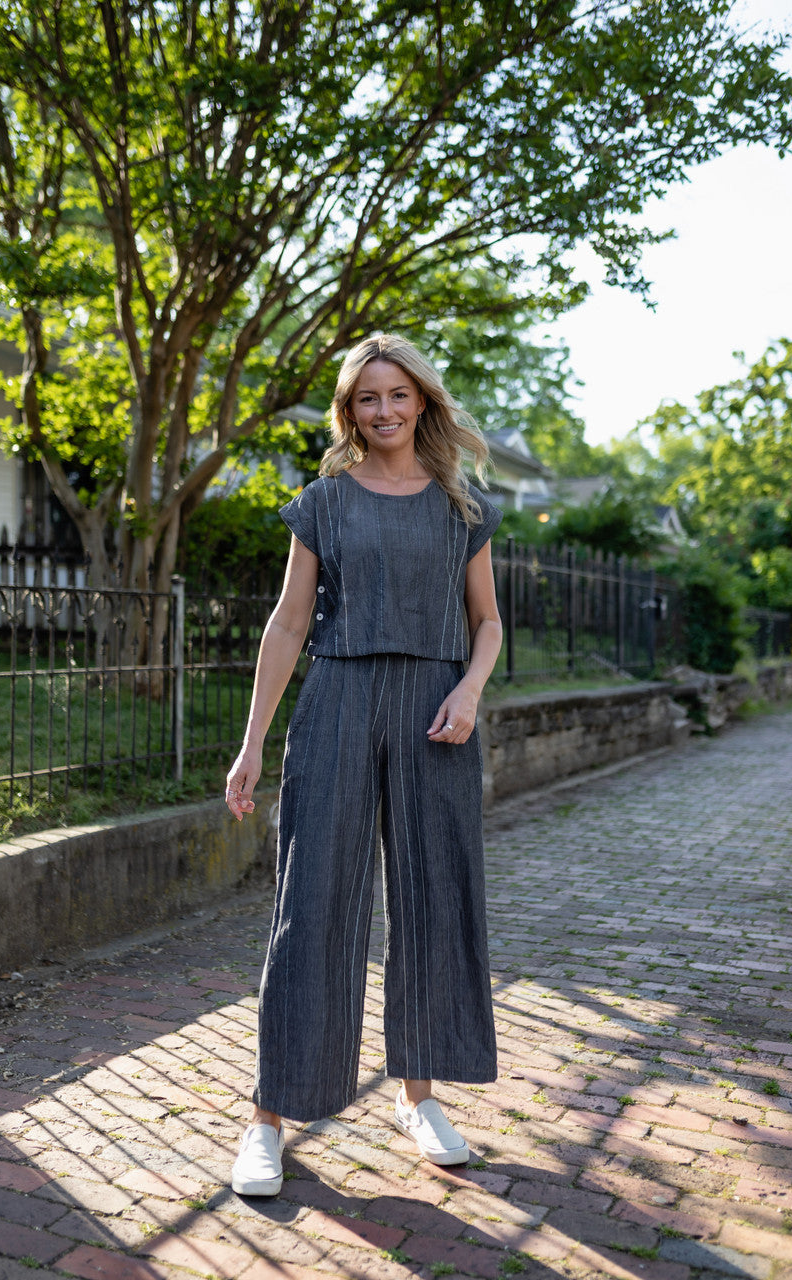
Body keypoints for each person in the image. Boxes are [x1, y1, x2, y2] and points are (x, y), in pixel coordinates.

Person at [225, 332, 503, 1196]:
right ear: (349, 410)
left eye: (397, 394)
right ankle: (268, 1117)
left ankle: (417, 1097)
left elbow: (488, 621)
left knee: (433, 900)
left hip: (434, 715)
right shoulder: (324, 501)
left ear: (422, 401)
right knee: (311, 904)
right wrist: (252, 741)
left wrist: (469, 691)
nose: (383, 410)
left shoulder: (461, 508)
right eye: (366, 398)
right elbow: (287, 622)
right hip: (338, 700)